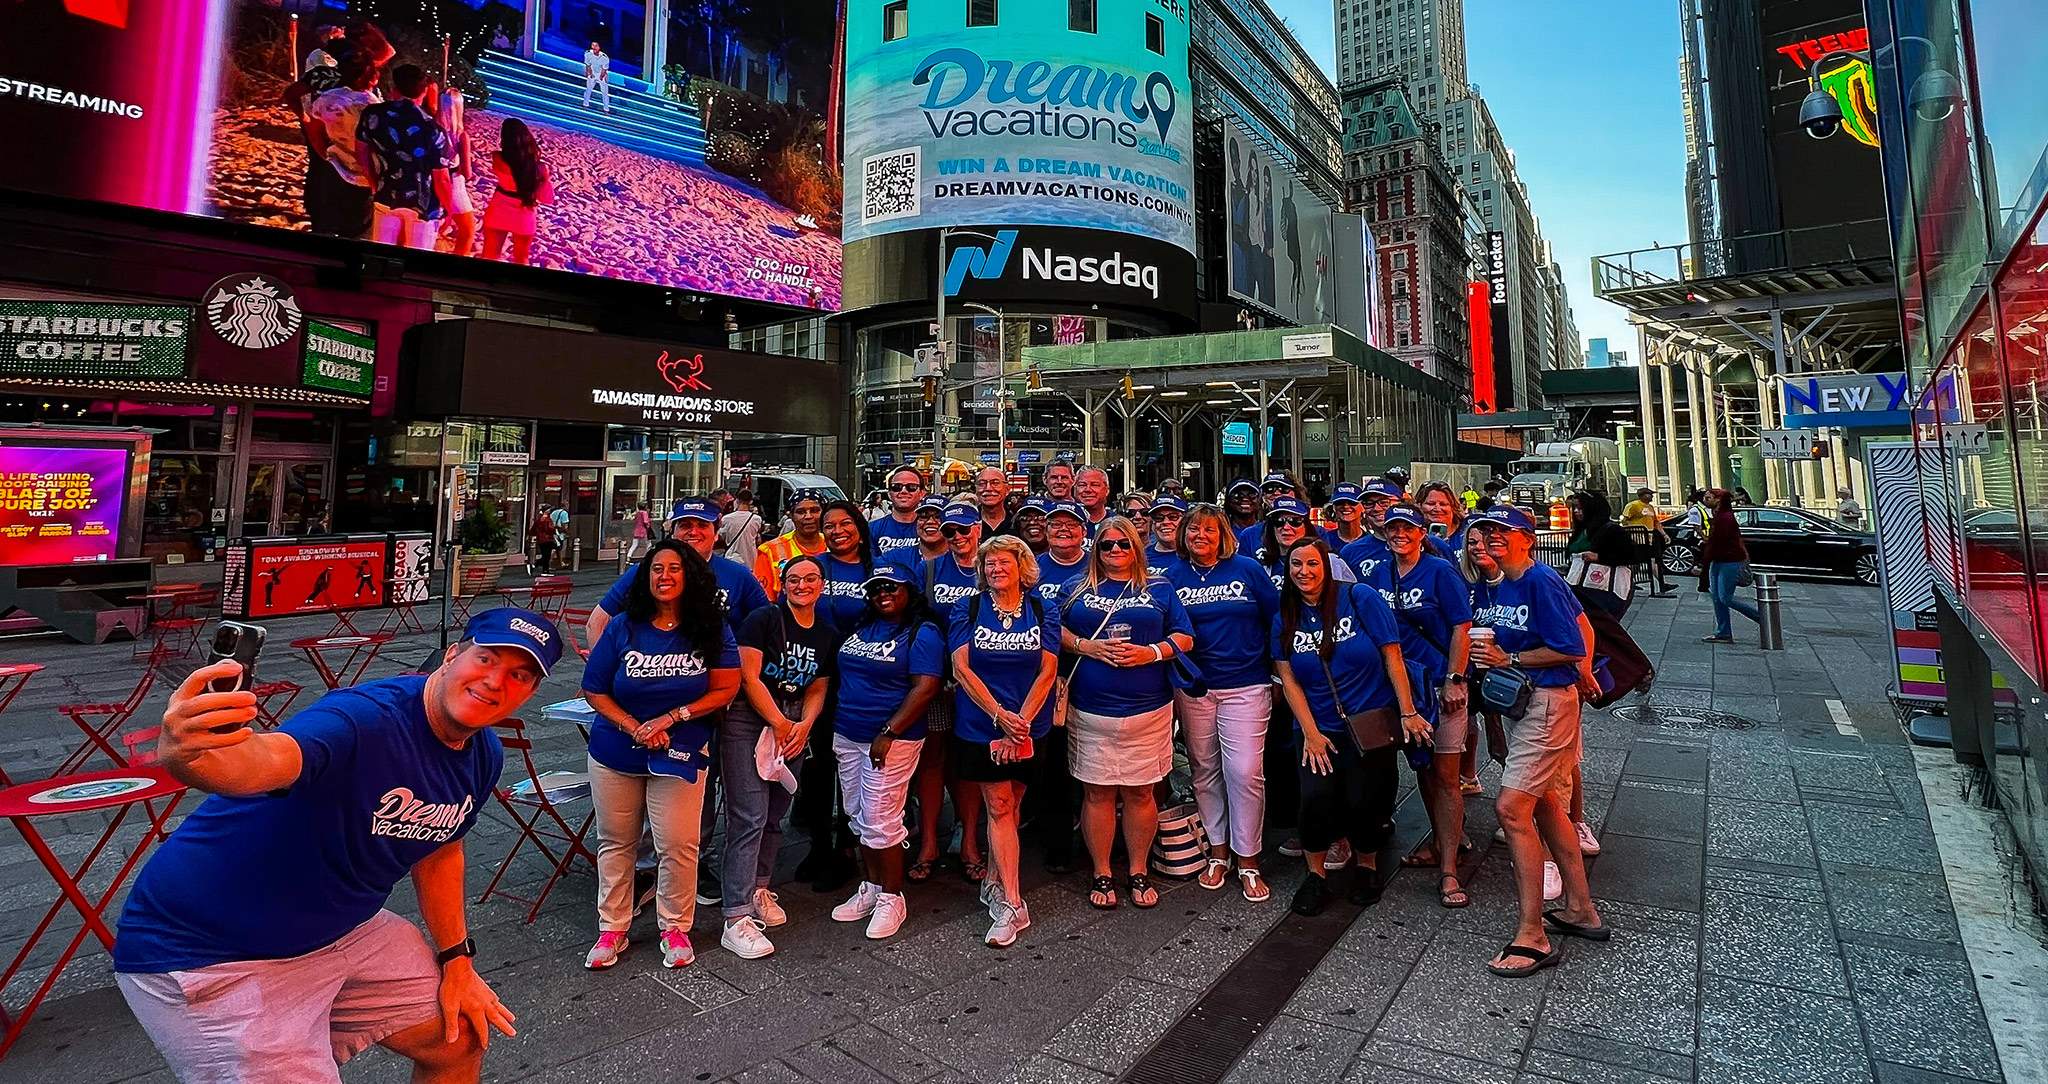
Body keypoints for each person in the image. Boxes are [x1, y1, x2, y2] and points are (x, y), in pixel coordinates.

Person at [116, 609, 560, 1080]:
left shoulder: (482, 751)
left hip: (343, 929)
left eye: (519, 675)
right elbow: (264, 761)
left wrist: (458, 961)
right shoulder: (363, 719)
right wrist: (191, 753)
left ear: (530, 693)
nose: (495, 682)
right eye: (486, 659)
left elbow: (440, 849)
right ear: (451, 655)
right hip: (211, 951)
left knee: (461, 1036)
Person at [580, 541, 740, 970]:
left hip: (681, 751)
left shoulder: (711, 627)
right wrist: (634, 726)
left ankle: (674, 927)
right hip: (616, 752)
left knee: (678, 844)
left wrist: (673, 717)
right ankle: (612, 928)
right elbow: (594, 688)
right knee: (616, 842)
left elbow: (726, 686)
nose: (664, 576)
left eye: (673, 568)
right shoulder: (623, 627)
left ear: (689, 576)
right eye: (655, 569)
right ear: (644, 578)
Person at [1464, 506, 1606, 975]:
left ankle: (1532, 935)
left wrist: (1512, 657)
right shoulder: (1493, 586)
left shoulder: (1540, 580)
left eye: (1504, 531)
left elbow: (1570, 644)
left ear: (1527, 537)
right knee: (1546, 805)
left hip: (1547, 704)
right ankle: (1580, 909)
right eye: (1486, 531)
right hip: (1523, 705)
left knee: (1511, 808)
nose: (1492, 538)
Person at [1272, 538, 1427, 915]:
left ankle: (1367, 866)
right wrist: (1310, 733)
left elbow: (1393, 655)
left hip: (1369, 721)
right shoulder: (1285, 614)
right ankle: (1315, 874)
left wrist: (1407, 711)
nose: (1304, 572)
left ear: (1326, 566)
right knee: (1314, 799)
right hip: (1318, 726)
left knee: (1368, 799)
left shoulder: (1359, 597)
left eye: (1312, 564)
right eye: (1296, 565)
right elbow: (1288, 678)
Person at [1057, 516, 1195, 910]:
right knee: (1096, 792)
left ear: (1137, 547)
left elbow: (1184, 636)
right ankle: (1101, 870)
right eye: (1106, 545)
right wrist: (1088, 647)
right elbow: (1054, 633)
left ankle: (1138, 869)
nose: (1115, 551)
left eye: (1124, 544)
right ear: (1095, 550)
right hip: (1091, 707)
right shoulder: (1074, 589)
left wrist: (1149, 653)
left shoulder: (1160, 588)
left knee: (1141, 791)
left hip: (1148, 707)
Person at [720, 554, 838, 959]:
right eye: (793, 579)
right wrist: (778, 722)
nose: (802, 585)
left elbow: (819, 686)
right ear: (782, 584)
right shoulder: (764, 619)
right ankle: (734, 915)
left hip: (793, 721)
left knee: (775, 811)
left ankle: (759, 887)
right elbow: (748, 675)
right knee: (748, 814)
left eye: (810, 578)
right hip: (751, 719)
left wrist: (803, 725)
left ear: (822, 585)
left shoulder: (826, 631)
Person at [948, 535, 1061, 945]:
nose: (996, 569)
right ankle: (1014, 904)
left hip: (1031, 724)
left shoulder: (1041, 607)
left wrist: (1022, 721)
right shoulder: (969, 607)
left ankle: (995, 879)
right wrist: (999, 716)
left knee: (1012, 804)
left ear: (1022, 567)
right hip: (981, 725)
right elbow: (961, 669)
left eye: (1004, 562)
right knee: (997, 805)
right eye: (990, 563)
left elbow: (1048, 671)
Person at [1168, 502, 1280, 901]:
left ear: (1223, 536)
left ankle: (1248, 857)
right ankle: (1218, 852)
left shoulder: (1247, 570)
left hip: (1246, 684)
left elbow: (1277, 618)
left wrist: (1279, 670)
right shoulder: (1170, 576)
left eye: (1210, 530)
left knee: (1246, 771)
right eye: (1194, 530)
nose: (1201, 536)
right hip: (1194, 686)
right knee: (1204, 768)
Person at [829, 565, 945, 939]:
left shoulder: (922, 632)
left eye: (892, 587)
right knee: (857, 815)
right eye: (877, 588)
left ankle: (893, 897)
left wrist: (888, 730)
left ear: (910, 591)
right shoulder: (863, 626)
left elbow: (926, 687)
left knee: (882, 817)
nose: (883, 593)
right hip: (848, 733)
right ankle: (872, 886)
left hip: (892, 738)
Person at [1371, 505, 1475, 910]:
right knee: (1424, 772)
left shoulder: (1439, 571)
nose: (1399, 534)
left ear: (1420, 533)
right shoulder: (1378, 573)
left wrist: (1455, 678)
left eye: (1407, 528)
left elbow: (1461, 627)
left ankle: (1449, 869)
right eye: (1393, 528)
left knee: (1446, 774)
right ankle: (1438, 842)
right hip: (1399, 689)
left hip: (1437, 684)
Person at [911, 503, 986, 882]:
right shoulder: (930, 569)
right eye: (950, 531)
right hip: (939, 679)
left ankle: (969, 839)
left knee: (969, 758)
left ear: (979, 529)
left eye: (964, 530)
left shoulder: (993, 565)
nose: (957, 537)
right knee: (933, 758)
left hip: (982, 680)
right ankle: (928, 841)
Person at [355, 64, 454, 252]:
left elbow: (361, 153)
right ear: (424, 91)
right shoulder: (433, 129)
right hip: (423, 202)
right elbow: (441, 178)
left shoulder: (373, 114)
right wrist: (449, 210)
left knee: (381, 256)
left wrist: (374, 183)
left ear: (395, 88)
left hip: (387, 191)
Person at [305, 52, 382, 239]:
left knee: (327, 225)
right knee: (359, 231)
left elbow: (312, 126)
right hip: (362, 175)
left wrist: (323, 153)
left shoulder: (328, 98)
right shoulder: (371, 105)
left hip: (333, 166)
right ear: (370, 77)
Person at [480, 117, 553, 265]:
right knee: (521, 258)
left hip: (499, 207)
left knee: (490, 255)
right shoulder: (539, 168)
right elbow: (547, 199)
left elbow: (509, 168)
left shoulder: (498, 158)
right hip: (524, 211)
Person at [1565, 491, 1643, 618]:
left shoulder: (1612, 529)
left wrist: (1600, 557)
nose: (1576, 511)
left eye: (1581, 508)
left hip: (1602, 589)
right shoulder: (1581, 530)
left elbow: (1633, 555)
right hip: (1579, 586)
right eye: (1575, 508)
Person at [1699, 488, 1759, 644]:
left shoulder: (1725, 518)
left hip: (1729, 560)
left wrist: (1706, 558)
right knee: (1717, 598)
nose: (1705, 500)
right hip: (1719, 560)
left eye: (1708, 497)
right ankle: (1723, 632)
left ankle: (1762, 617)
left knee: (1725, 598)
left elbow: (1719, 542)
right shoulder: (1719, 515)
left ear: (1718, 500)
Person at [815, 500, 875, 632]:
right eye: (829, 526)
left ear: (859, 527)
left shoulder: (880, 568)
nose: (837, 531)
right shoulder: (811, 566)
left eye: (845, 523)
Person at [433, 81, 478, 256]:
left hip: (433, 180)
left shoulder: (432, 128)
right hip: (454, 183)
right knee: (467, 230)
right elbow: (467, 173)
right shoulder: (461, 136)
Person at [755, 492, 828, 599]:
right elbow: (764, 601)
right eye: (800, 512)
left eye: (814, 510)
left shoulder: (834, 545)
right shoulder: (769, 551)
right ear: (791, 516)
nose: (808, 516)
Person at [1340, 478, 1405, 580]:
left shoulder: (1428, 544)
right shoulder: (1350, 552)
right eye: (1369, 503)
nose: (1376, 508)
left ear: (1400, 503)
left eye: (1384, 502)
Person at [1619, 487, 1674, 596]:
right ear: (1643, 495)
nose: (1652, 496)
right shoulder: (1633, 505)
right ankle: (1628, 583)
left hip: (1649, 538)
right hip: (1637, 538)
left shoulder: (1650, 507)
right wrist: (1630, 532)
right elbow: (1624, 520)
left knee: (1651, 561)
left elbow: (1656, 523)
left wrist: (1664, 534)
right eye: (1649, 494)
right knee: (1637, 562)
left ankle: (1661, 584)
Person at [1035, 501, 1091, 603]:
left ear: (1084, 532)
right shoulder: (1032, 567)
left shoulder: (1098, 565)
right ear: (1046, 531)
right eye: (1056, 524)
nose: (1063, 529)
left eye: (1071, 524)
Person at [870, 466, 929, 561]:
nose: (903, 491)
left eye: (911, 487)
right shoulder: (872, 529)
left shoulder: (932, 528)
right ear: (889, 493)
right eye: (897, 487)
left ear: (922, 493)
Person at [1417, 481, 1469, 556]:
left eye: (1443, 504)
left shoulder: (1466, 531)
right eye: (1431, 504)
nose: (1437, 508)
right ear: (1420, 506)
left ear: (1453, 507)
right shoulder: (1415, 534)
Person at [719, 487, 769, 563]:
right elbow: (757, 539)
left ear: (737, 500)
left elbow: (721, 538)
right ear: (751, 502)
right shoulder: (757, 519)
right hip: (750, 560)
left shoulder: (726, 519)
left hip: (732, 559)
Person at [1146, 494, 1187, 575]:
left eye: (1173, 517)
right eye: (1159, 518)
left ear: (1185, 520)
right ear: (1153, 524)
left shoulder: (1196, 555)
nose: (1165, 522)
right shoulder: (1141, 557)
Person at [970, 466, 1017, 538]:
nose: (988, 488)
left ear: (1007, 489)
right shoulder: (967, 523)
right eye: (982, 484)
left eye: (995, 483)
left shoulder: (1017, 523)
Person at [1322, 482, 1367, 548]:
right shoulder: (1324, 541)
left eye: (1352, 502)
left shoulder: (1372, 543)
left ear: (1363, 507)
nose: (1346, 506)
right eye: (1340, 502)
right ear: (1334, 507)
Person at [582, 41, 612, 112]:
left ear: (599, 47)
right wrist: (589, 73)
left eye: (596, 46)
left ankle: (606, 108)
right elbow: (587, 64)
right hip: (592, 72)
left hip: (601, 74)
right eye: (593, 45)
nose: (594, 47)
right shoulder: (588, 54)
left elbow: (604, 69)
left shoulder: (605, 58)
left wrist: (601, 77)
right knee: (588, 89)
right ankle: (585, 104)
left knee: (604, 92)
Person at [529, 503, 557, 573]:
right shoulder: (548, 519)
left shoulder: (539, 520)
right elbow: (550, 529)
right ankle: (542, 567)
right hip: (548, 539)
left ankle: (543, 568)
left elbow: (533, 529)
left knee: (545, 554)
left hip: (541, 539)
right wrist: (555, 529)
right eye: (549, 509)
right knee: (547, 555)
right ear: (547, 510)